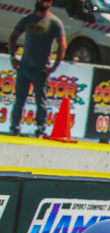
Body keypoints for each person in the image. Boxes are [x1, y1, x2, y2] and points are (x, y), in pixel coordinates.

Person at [7, 0, 66, 137]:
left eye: (44, 0)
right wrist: (12, 57)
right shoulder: (28, 19)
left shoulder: (54, 22)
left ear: (50, 3)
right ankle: (15, 127)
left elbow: (62, 45)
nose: (40, 2)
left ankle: (40, 128)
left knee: (41, 101)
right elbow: (13, 37)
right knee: (19, 99)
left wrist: (54, 67)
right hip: (24, 65)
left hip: (41, 68)